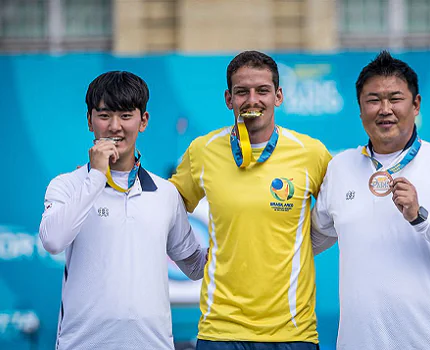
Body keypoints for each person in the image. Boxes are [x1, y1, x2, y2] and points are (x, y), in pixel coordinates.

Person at [312, 50, 430, 349]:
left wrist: (421, 218)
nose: (384, 109)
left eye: (395, 98)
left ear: (416, 104)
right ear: (359, 109)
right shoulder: (339, 167)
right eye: (373, 100)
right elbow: (311, 241)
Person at [169, 51, 332, 349]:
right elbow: (166, 211)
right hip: (220, 331)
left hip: (293, 333)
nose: (252, 100)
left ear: (279, 96)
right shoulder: (202, 151)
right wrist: (192, 259)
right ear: (229, 99)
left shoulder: (311, 153)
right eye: (242, 91)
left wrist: (300, 248)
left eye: (263, 91)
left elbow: (339, 215)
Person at [39, 71, 207, 350]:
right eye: (104, 115)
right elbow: (53, 240)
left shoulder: (165, 193)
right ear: (89, 121)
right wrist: (95, 176)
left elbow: (193, 266)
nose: (115, 126)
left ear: (143, 121)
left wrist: (233, 246)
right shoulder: (67, 185)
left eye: (126, 116)